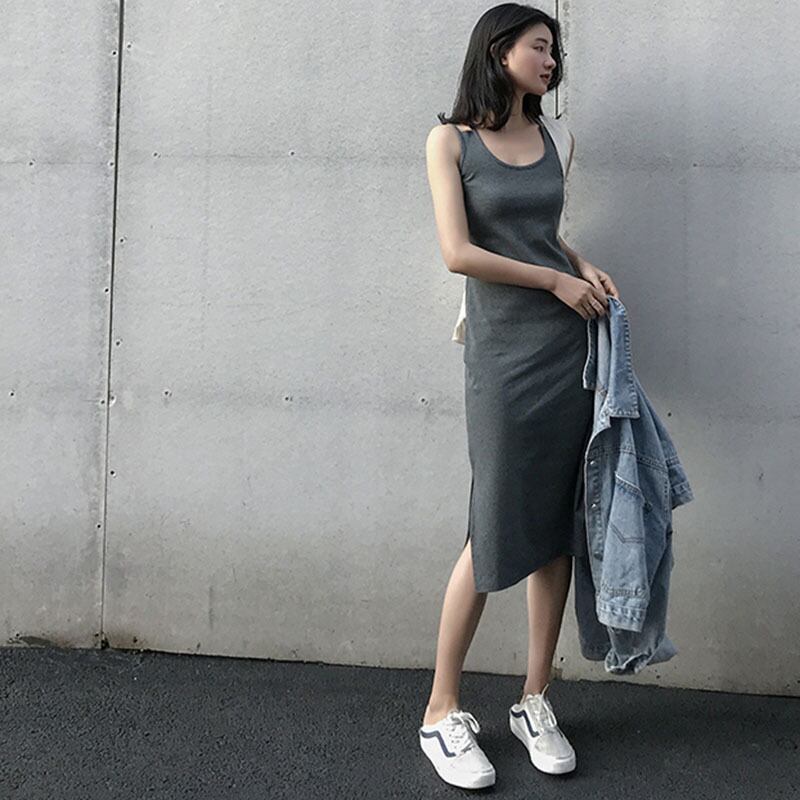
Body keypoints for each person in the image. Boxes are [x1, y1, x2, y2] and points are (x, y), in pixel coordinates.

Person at [419, 3, 620, 790]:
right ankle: (440, 710)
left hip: (567, 350)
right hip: (503, 356)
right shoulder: (450, 142)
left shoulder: (556, 138)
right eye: (541, 46)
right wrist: (555, 280)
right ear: (499, 50)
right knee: (494, 522)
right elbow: (458, 251)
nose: (552, 60)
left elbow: (539, 229)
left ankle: (535, 699)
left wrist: (579, 262)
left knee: (556, 529)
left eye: (554, 50)